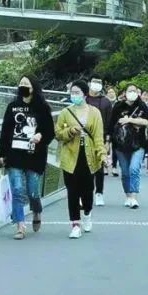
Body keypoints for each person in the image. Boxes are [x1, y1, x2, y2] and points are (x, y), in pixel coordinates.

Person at [0, 76, 56, 239]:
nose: (22, 87)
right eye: (21, 84)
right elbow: (5, 130)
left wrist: (40, 136)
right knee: (17, 190)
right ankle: (20, 226)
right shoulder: (13, 106)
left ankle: (36, 210)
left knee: (33, 191)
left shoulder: (42, 108)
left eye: (26, 84)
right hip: (14, 154)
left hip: (34, 155)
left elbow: (50, 131)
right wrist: (1, 154)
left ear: (33, 87)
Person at [55, 80, 107, 238]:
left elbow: (98, 137)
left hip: (89, 155)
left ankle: (87, 213)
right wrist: (70, 131)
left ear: (84, 94)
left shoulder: (95, 113)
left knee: (87, 190)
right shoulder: (65, 112)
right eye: (72, 92)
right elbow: (58, 134)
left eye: (77, 92)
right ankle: (75, 224)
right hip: (70, 155)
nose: (74, 95)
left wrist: (102, 155)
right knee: (72, 190)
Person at [109, 84, 148, 208]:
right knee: (126, 171)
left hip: (138, 144)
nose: (132, 93)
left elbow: (147, 121)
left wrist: (130, 120)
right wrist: (108, 140)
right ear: (125, 93)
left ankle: (134, 197)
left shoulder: (141, 106)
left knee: (134, 169)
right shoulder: (118, 106)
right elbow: (111, 125)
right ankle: (128, 195)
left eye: (134, 91)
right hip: (120, 144)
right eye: (129, 91)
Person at [85, 78, 115, 207]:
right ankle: (86, 192)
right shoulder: (84, 99)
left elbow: (110, 122)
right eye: (94, 82)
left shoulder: (106, 102)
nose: (96, 85)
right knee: (85, 167)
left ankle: (99, 193)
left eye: (99, 82)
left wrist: (108, 140)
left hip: (100, 138)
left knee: (99, 167)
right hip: (84, 137)